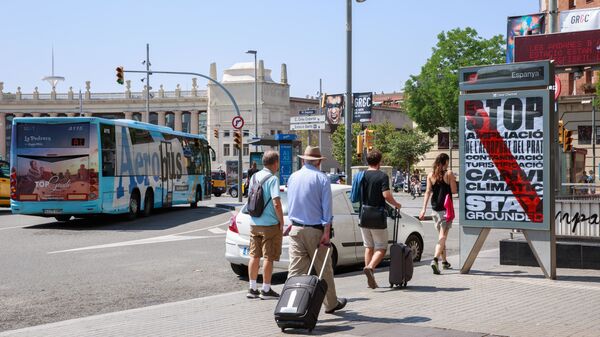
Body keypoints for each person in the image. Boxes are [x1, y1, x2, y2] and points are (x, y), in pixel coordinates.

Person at [285, 146, 347, 314]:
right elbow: (327, 209)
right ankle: (331, 303)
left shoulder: (293, 177)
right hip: (315, 231)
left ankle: (290, 304)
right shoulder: (321, 178)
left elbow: (292, 203)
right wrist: (326, 233)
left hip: (295, 229)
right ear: (319, 161)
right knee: (323, 269)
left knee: (296, 270)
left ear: (304, 160)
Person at [360, 150, 402, 289]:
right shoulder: (382, 176)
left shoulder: (362, 175)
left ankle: (369, 277)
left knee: (368, 247)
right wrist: (396, 204)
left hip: (364, 214)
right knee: (382, 248)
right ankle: (370, 267)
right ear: (380, 161)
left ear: (367, 161)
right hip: (377, 215)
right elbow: (386, 195)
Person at [246, 151, 284, 300]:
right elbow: (276, 202)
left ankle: (252, 288)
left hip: (254, 223)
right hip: (269, 225)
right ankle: (266, 289)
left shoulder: (254, 176)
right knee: (268, 257)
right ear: (275, 163)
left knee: (254, 256)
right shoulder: (273, 179)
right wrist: (281, 221)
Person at [419, 153, 457, 274]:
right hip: (446, 211)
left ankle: (444, 262)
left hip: (434, 210)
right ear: (445, 162)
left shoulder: (431, 175)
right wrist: (454, 181)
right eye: (448, 162)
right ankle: (435, 260)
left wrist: (423, 209)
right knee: (442, 237)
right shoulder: (449, 174)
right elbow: (454, 191)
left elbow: (427, 192)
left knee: (442, 237)